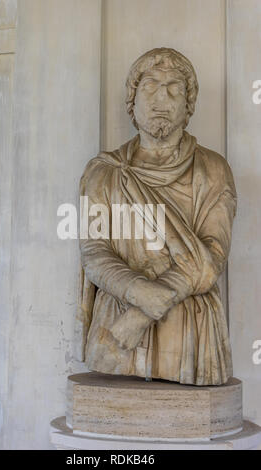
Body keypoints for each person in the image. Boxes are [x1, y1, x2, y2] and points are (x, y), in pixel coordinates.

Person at [75, 48, 237, 385]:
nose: (161, 97)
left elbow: (211, 259)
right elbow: (94, 251)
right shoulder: (105, 172)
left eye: (174, 87)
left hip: (189, 328)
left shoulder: (213, 169)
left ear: (189, 103)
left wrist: (144, 311)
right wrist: (138, 292)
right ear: (132, 100)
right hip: (117, 317)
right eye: (150, 85)